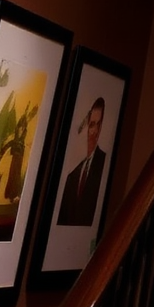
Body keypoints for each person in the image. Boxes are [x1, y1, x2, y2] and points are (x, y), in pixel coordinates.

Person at [56, 97, 106, 227]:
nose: (94, 132)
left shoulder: (104, 164)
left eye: (98, 125)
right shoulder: (72, 175)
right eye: (91, 125)